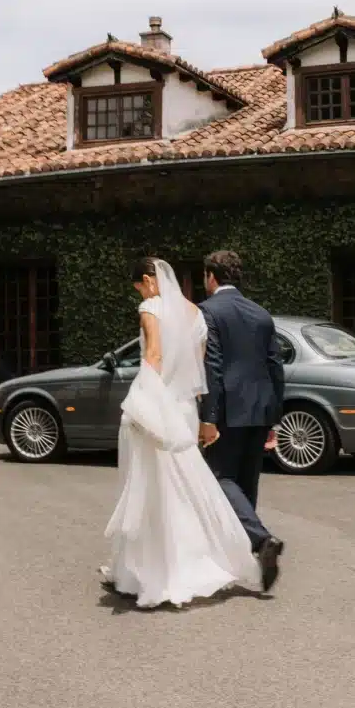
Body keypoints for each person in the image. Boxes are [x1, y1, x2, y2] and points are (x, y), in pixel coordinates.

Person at [101, 257, 261, 608]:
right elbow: (200, 369)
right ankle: (195, 559)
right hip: (186, 409)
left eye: (139, 288)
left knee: (153, 487)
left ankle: (152, 570)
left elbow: (154, 355)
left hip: (160, 404)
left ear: (149, 281)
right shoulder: (196, 314)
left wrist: (143, 399)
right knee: (183, 486)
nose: (141, 294)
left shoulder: (151, 307)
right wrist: (206, 418)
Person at [199, 250, 285, 592]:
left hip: (228, 411)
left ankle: (261, 540)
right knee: (246, 486)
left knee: (219, 477)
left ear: (212, 276)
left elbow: (213, 367)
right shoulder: (261, 313)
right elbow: (275, 367)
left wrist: (209, 417)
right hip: (260, 409)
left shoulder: (208, 311)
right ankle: (250, 560)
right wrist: (274, 418)